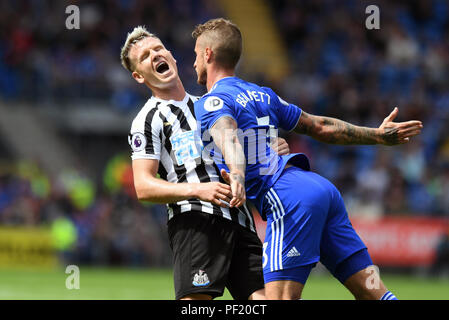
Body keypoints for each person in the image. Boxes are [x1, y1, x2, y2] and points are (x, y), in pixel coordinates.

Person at [192, 18, 423, 300]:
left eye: (195, 55)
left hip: (289, 199)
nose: (193, 64)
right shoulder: (263, 94)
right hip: (322, 192)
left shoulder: (211, 101)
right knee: (375, 293)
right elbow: (319, 126)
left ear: (207, 54)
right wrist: (377, 135)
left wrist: (238, 175)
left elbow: (228, 136)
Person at [120, 26, 288, 300]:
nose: (155, 55)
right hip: (195, 220)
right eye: (145, 56)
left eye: (158, 49)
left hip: (241, 220)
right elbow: (143, 186)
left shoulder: (210, 104)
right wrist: (198, 190)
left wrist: (270, 149)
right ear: (139, 76)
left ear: (172, 56)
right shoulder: (147, 119)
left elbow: (244, 153)